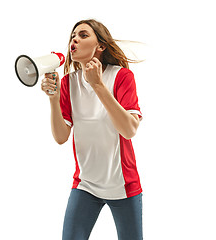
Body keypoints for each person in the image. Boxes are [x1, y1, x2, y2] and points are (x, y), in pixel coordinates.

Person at [41, 19, 143, 240]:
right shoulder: (68, 83)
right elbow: (61, 137)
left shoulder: (122, 77)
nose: (74, 39)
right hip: (85, 185)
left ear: (101, 46)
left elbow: (129, 129)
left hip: (123, 185)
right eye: (72, 36)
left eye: (83, 35)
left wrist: (97, 85)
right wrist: (54, 98)